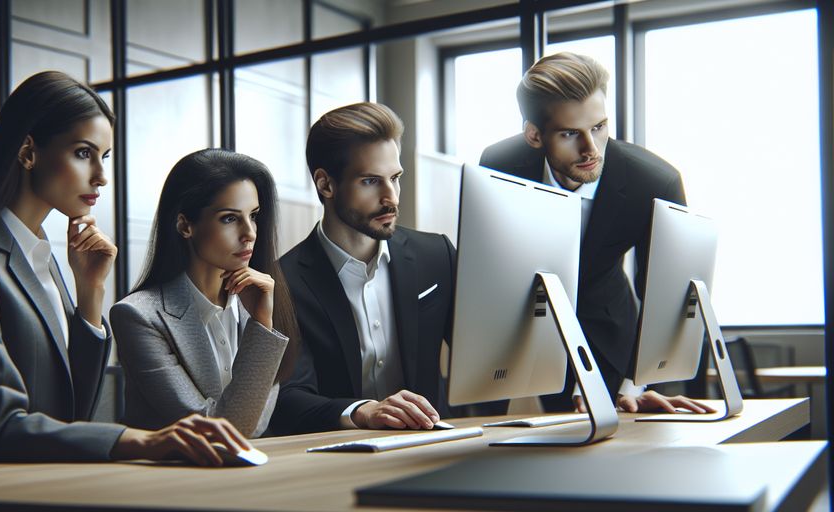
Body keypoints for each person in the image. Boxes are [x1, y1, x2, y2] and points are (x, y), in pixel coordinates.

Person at [0, 71, 248, 471]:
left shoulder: (40, 257)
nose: (101, 176)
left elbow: (73, 413)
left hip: (34, 478)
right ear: (28, 152)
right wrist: (142, 440)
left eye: (104, 157)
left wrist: (90, 291)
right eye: (83, 153)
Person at [479, 52, 714, 414]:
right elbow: (489, 267)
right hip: (527, 330)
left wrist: (637, 382)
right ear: (534, 135)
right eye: (571, 133)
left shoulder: (653, 181)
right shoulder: (499, 165)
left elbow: (664, 297)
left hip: (609, 332)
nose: (591, 149)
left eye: (599, 127)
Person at [270, 102, 456, 435]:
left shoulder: (437, 256)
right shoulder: (283, 282)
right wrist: (362, 411)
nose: (391, 198)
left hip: (431, 447)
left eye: (395, 178)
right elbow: (286, 398)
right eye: (371, 181)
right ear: (326, 185)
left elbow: (484, 358)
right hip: (335, 458)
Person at [111, 149, 297, 438]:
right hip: (171, 478)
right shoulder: (138, 316)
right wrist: (262, 326)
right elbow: (221, 431)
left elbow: (258, 425)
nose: (249, 233)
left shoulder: (264, 301)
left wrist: (262, 320)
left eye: (254, 216)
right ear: (185, 225)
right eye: (229, 219)